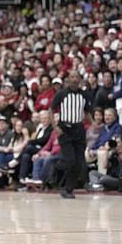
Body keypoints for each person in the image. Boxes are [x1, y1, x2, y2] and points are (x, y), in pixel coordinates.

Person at [51, 70, 90, 199]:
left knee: (79, 162)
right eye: (72, 76)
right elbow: (51, 109)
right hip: (65, 129)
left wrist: (94, 124)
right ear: (68, 78)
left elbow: (87, 112)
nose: (74, 79)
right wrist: (55, 126)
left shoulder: (84, 95)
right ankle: (56, 168)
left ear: (79, 79)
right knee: (70, 159)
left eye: (76, 77)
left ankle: (68, 189)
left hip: (78, 129)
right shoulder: (61, 94)